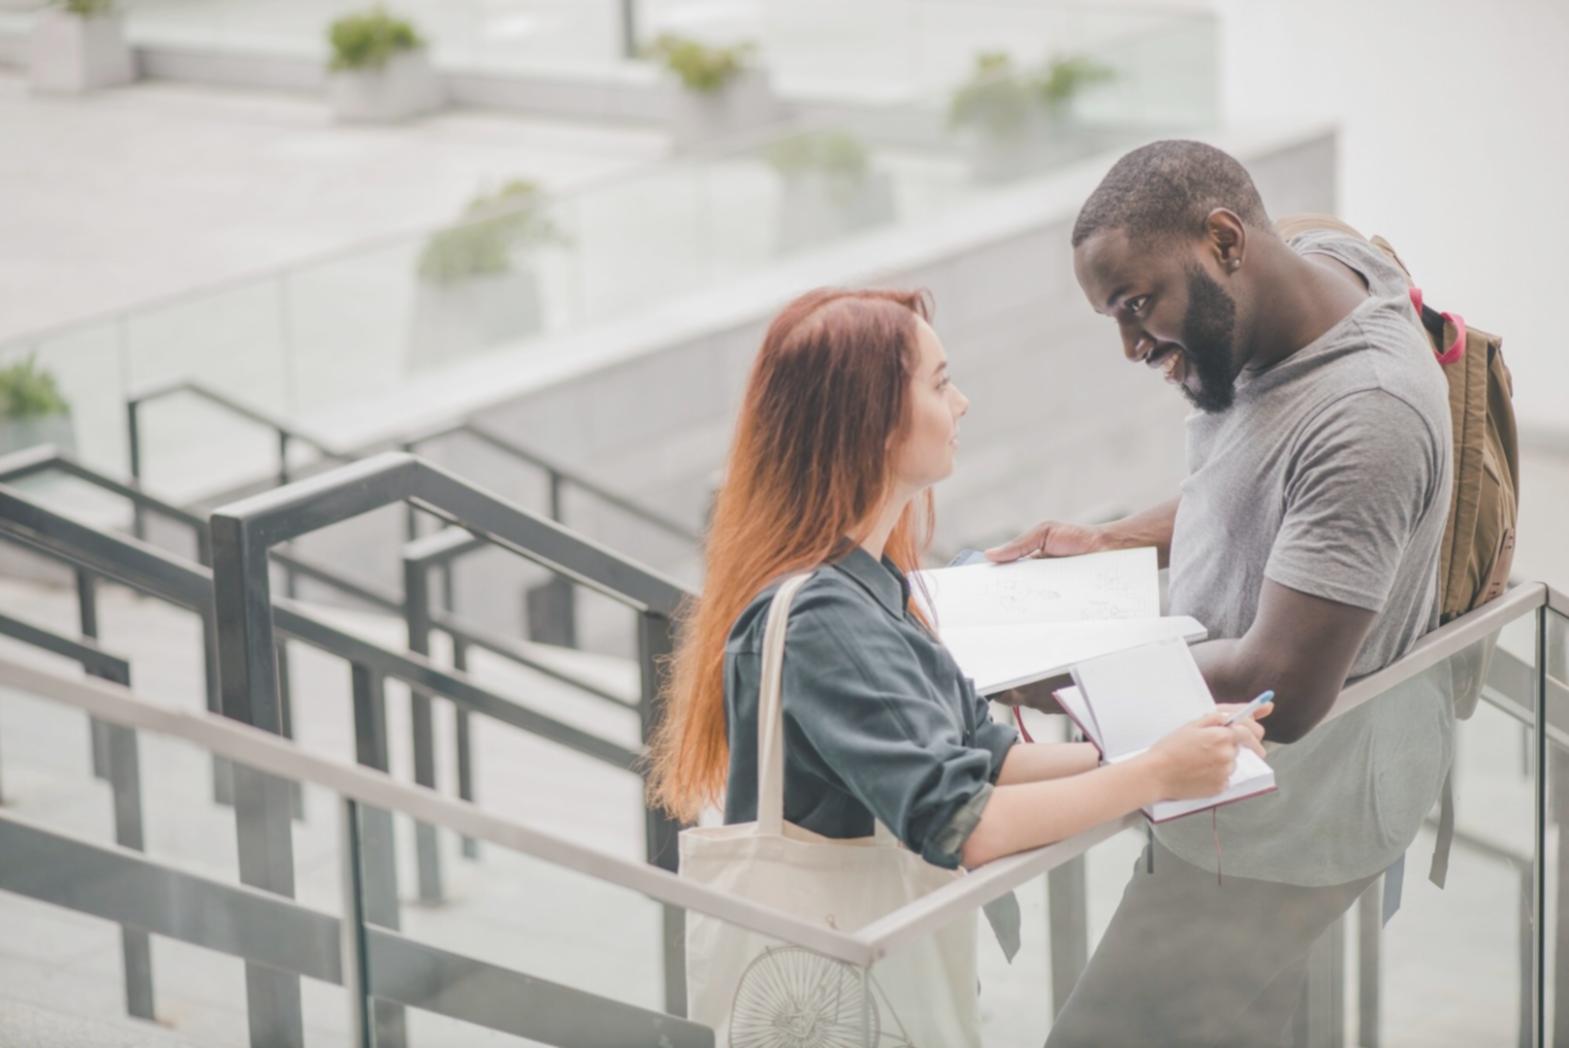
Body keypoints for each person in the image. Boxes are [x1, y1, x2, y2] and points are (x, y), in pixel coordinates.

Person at [987, 140, 1455, 1045]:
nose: (1131, 347)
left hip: (1281, 836)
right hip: (1230, 801)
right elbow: (1266, 486)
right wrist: (1113, 540)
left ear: (1226, 241)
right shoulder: (1308, 281)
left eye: (1136, 305)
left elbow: (1278, 688)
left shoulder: (1368, 415)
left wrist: (1052, 674)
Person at [647, 286, 1268, 880]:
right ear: (869, 419)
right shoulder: (824, 616)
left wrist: (1169, 746)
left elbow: (989, 756)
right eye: (940, 383)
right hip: (841, 953)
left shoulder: (870, 588)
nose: (962, 402)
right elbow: (963, 824)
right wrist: (1156, 772)